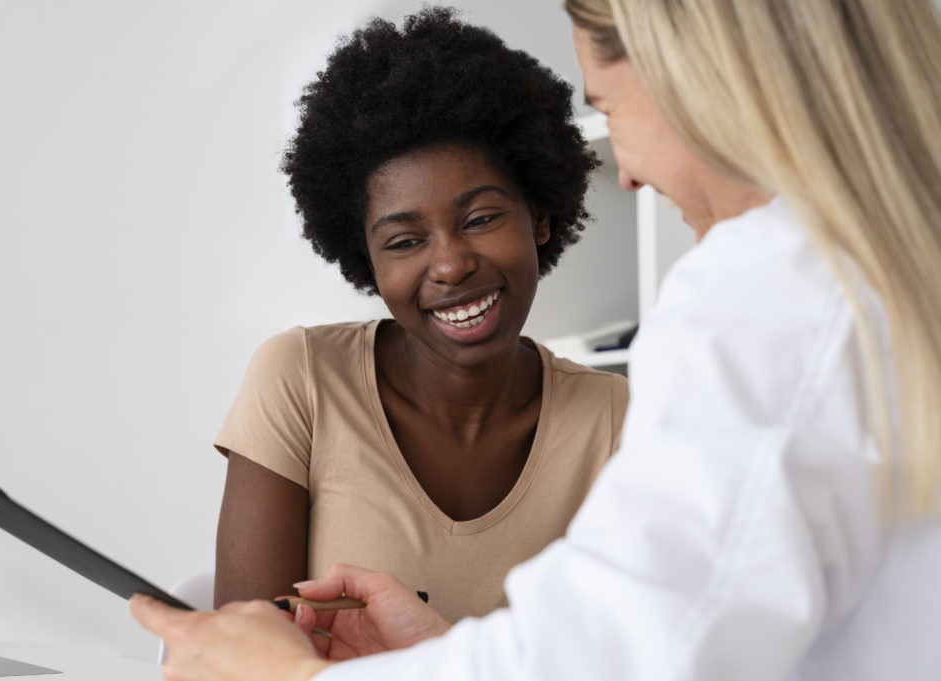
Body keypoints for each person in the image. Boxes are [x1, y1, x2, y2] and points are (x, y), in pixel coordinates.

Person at [131, 0, 941, 679]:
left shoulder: (765, 297)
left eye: (612, 106)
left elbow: (644, 648)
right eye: (404, 238)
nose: (623, 171)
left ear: (695, 80)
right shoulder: (867, 278)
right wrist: (444, 653)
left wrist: (303, 679)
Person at [210, 6, 629, 624]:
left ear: (539, 216)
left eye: (481, 219)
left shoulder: (616, 421)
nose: (451, 265)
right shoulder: (300, 379)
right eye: (405, 241)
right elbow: (248, 653)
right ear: (368, 262)